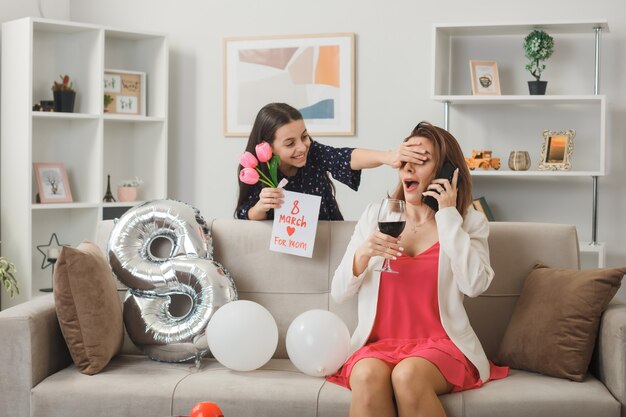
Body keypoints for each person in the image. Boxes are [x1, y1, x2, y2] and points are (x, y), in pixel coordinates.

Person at [328, 122, 508, 417]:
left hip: (441, 345)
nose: (408, 168)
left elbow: (475, 285)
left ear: (446, 172)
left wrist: (448, 215)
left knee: (408, 375)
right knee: (365, 376)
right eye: (405, 159)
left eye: (421, 160)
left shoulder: (468, 222)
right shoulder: (376, 215)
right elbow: (338, 293)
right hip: (378, 345)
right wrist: (363, 254)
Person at [235, 103, 426, 220]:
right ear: (267, 146)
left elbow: (346, 157)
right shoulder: (254, 170)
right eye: (290, 143)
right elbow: (245, 214)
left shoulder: (313, 153)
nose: (302, 147)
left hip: (327, 243)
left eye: (304, 136)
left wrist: (388, 156)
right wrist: (261, 207)